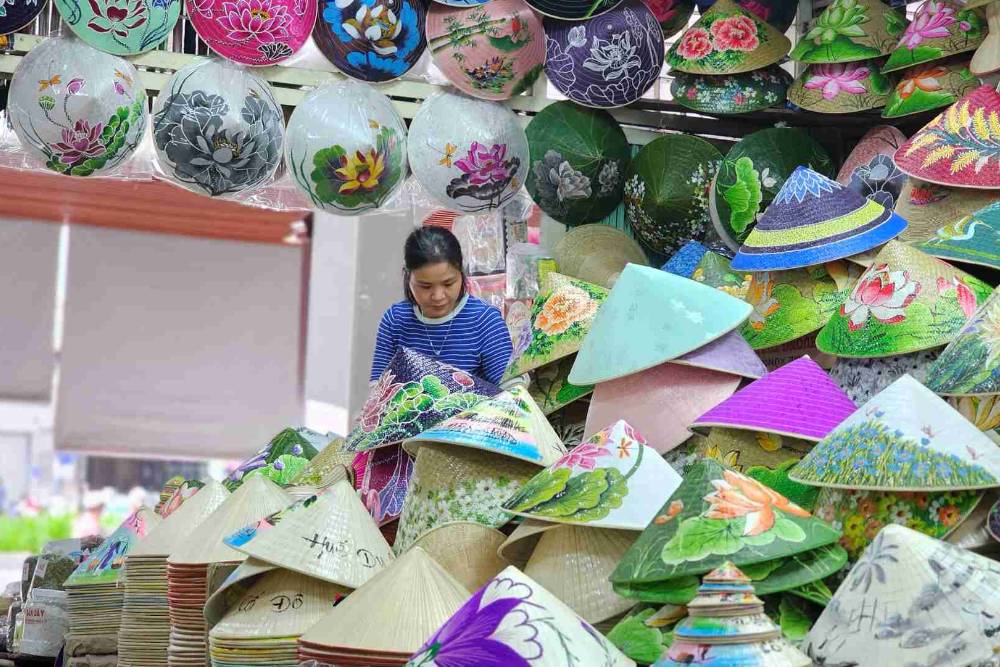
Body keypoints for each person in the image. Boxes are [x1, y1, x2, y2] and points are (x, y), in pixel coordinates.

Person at [370, 227, 513, 386]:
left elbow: (510, 386)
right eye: (425, 286)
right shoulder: (395, 320)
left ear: (461, 273)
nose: (438, 296)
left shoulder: (485, 321)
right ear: (407, 276)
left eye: (448, 284)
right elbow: (379, 389)